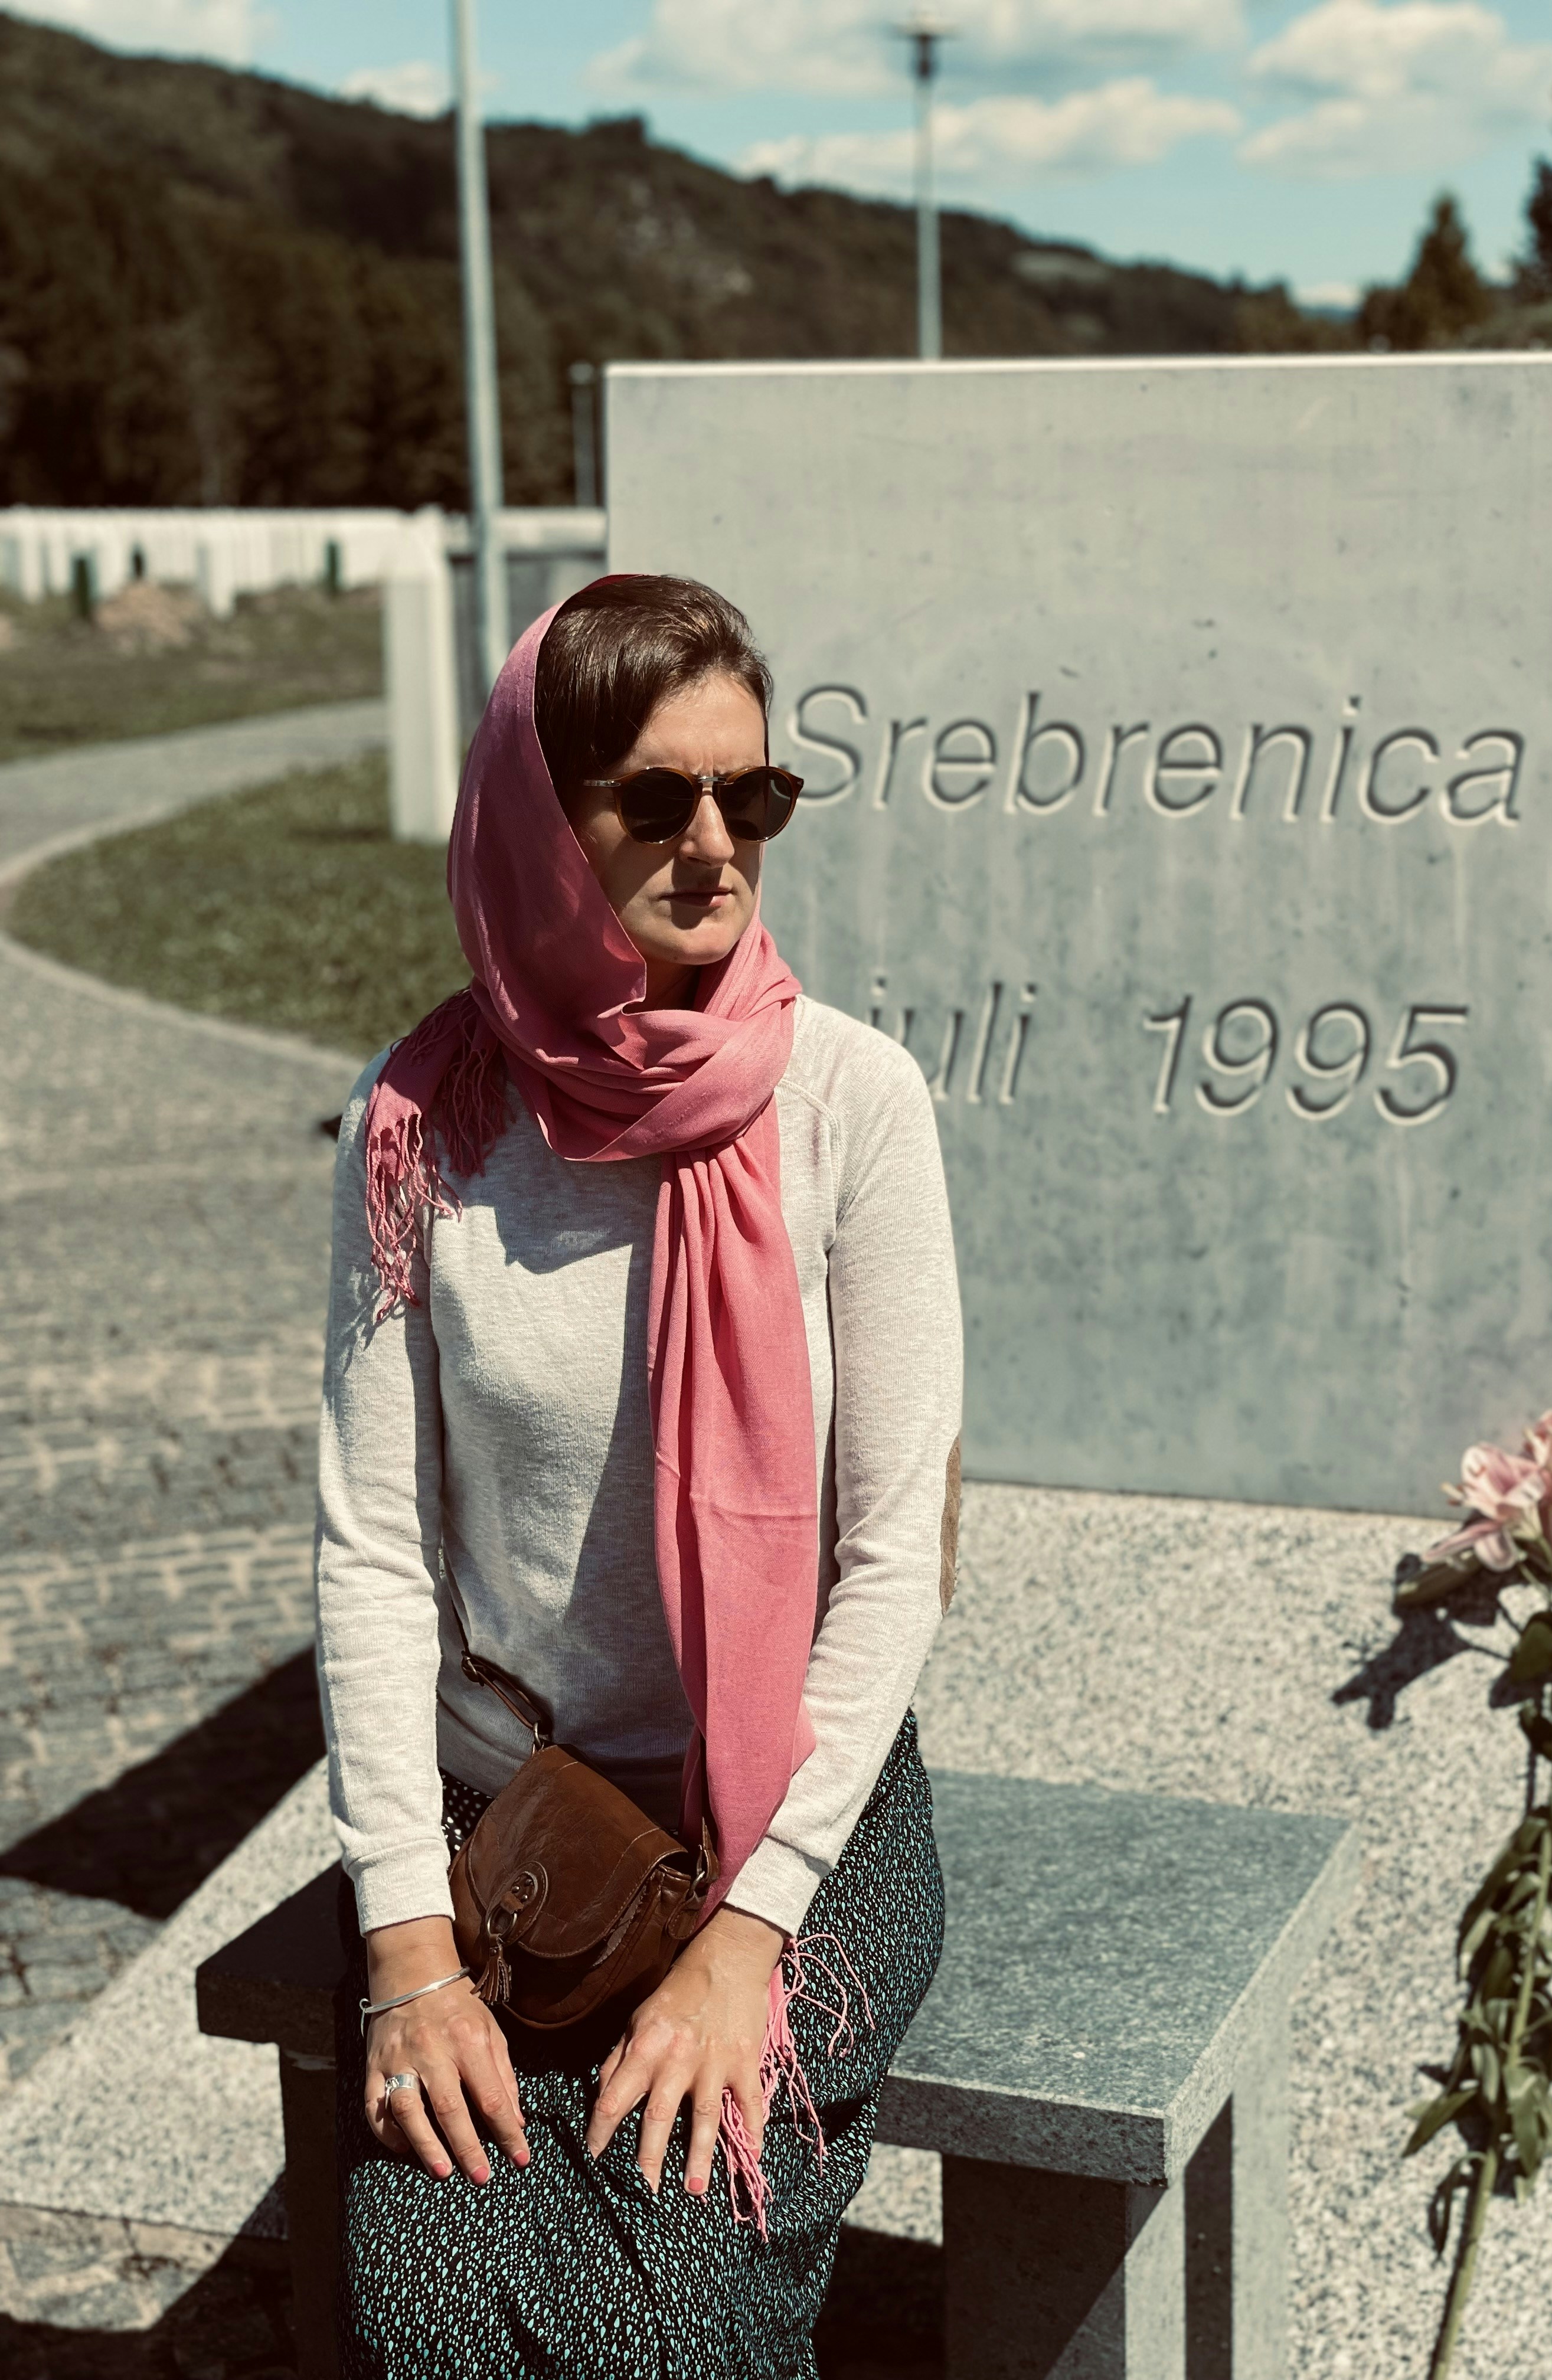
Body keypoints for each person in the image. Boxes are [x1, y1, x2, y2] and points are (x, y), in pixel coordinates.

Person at [314, 573, 963, 2376]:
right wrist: (406, 1946)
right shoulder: (422, 1127)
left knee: (675, 2303)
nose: (714, 841)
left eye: (751, 797)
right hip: (504, 1830)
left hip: (786, 1815)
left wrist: (749, 1933)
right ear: (539, 817)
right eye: (653, 799)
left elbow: (892, 1558)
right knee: (430, 2302)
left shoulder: (852, 1104)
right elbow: (373, 1556)